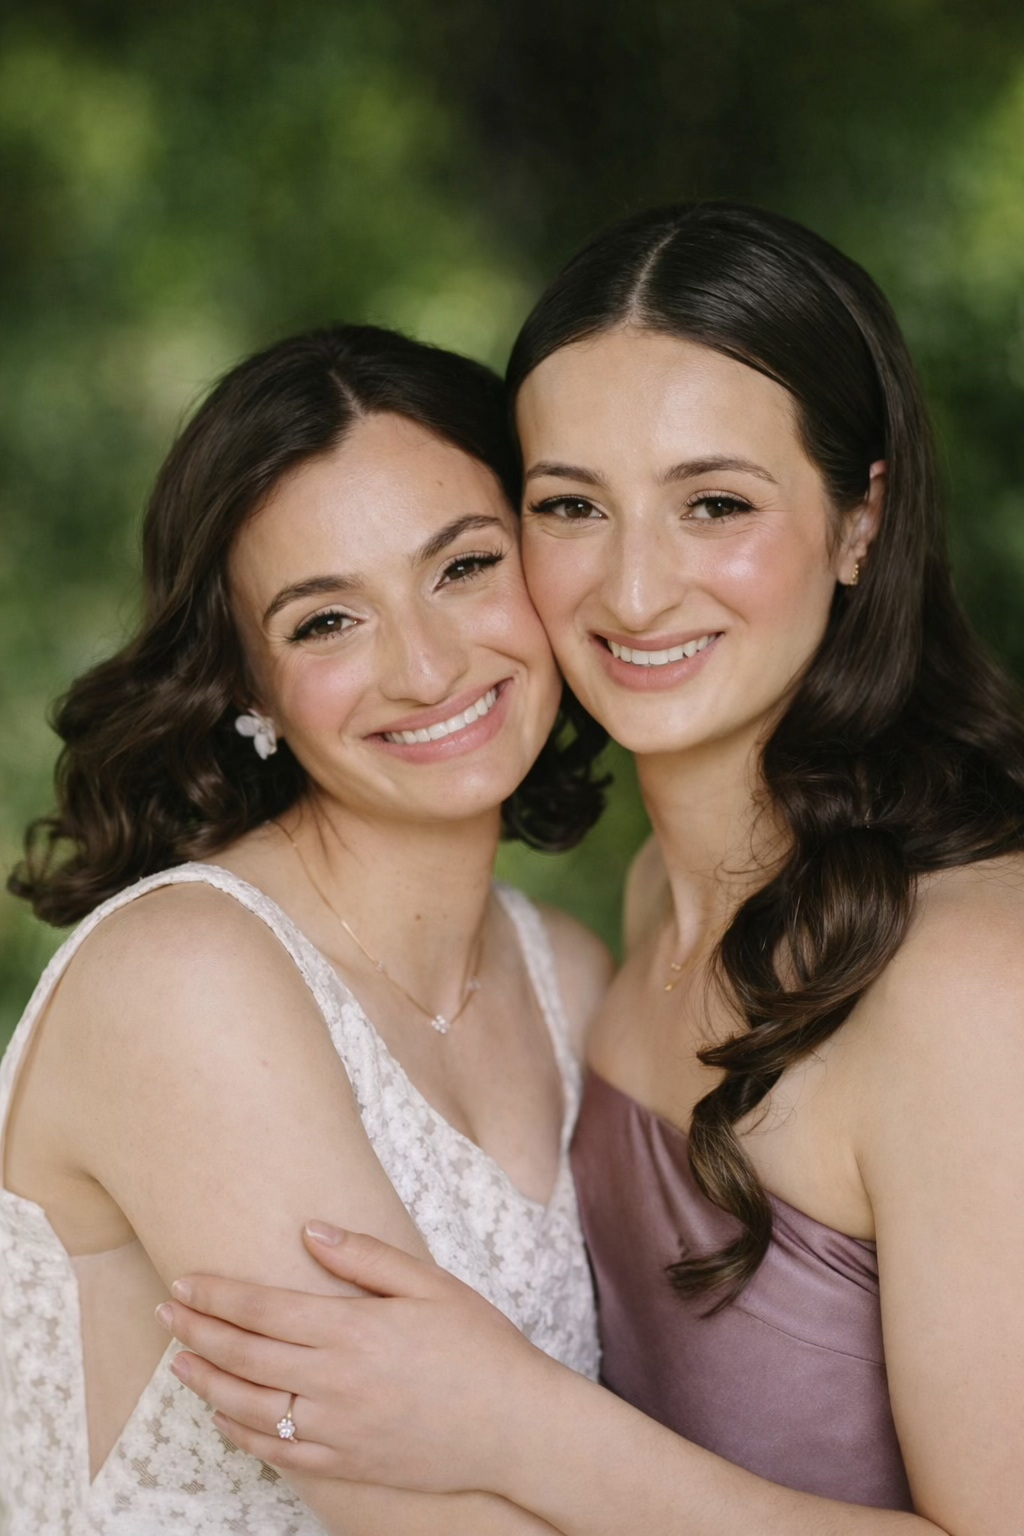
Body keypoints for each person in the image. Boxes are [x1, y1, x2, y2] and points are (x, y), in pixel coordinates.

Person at [162, 204, 1024, 1534]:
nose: (631, 590)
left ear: (863, 519)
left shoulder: (967, 973)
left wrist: (519, 1422)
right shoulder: (626, 927)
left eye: (714, 504)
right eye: (570, 506)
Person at [0, 323, 615, 1535]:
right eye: (326, 622)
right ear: (246, 685)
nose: (426, 665)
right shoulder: (186, 984)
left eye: (464, 567)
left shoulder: (570, 978)